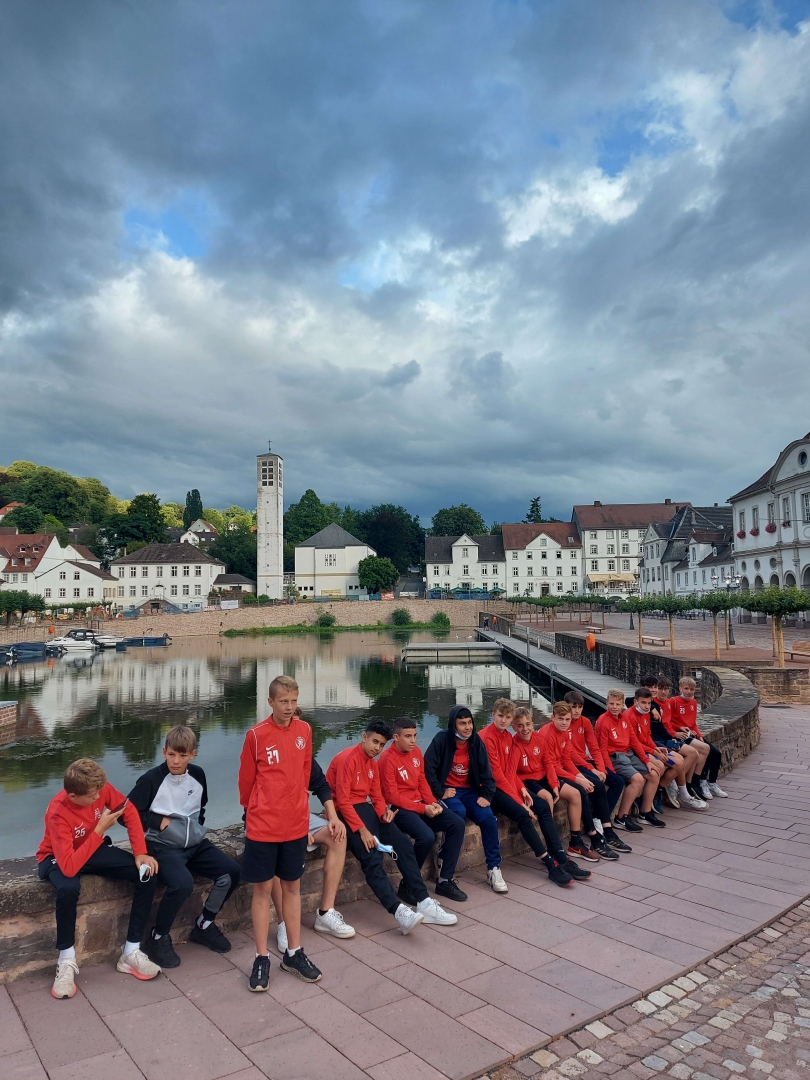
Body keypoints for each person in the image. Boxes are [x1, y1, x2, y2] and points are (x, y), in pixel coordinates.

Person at [37, 758, 161, 999]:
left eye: (98, 792)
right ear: (73, 796)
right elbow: (69, 867)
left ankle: (131, 952)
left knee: (146, 873)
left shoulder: (98, 788)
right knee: (68, 888)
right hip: (58, 856)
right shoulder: (57, 812)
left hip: (92, 848)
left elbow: (129, 811)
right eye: (92, 796)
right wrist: (99, 829)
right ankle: (66, 960)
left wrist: (140, 852)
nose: (98, 798)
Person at [326, 719, 458, 932]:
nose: (377, 748)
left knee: (403, 844)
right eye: (374, 742)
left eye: (381, 744)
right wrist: (362, 830)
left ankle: (424, 902)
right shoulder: (348, 759)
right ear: (364, 737)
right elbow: (341, 800)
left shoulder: (371, 763)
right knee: (372, 857)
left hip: (363, 808)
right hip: (342, 812)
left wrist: (383, 813)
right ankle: (398, 911)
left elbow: (376, 795)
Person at [129, 726, 241, 969]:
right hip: (163, 846)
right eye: (171, 755)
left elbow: (201, 807)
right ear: (164, 752)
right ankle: (158, 937)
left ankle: (204, 925)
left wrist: (193, 830)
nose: (176, 761)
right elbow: (126, 814)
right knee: (182, 884)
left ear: (192, 754)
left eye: (182, 755)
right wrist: (157, 822)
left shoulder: (198, 775)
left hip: (195, 843)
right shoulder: (150, 780)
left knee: (231, 872)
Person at [238, 675, 322, 992]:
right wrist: (254, 811)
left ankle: (293, 953)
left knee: (292, 888)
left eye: (294, 701)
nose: (289, 707)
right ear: (270, 702)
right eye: (283, 701)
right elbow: (246, 782)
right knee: (262, 890)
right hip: (263, 826)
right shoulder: (256, 736)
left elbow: (305, 773)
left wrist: (300, 805)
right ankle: (261, 957)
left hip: (295, 825)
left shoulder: (305, 731)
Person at [478, 698, 575, 887]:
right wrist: (519, 801)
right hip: (489, 789)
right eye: (500, 716)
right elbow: (496, 775)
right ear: (493, 715)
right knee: (523, 814)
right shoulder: (487, 737)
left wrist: (521, 789)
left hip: (503, 784)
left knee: (542, 806)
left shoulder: (507, 736)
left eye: (507, 717)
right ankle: (550, 865)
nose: (503, 720)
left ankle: (559, 854)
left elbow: (509, 772)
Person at [379, 716, 468, 903]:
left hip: (421, 803)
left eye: (415, 735)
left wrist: (433, 802)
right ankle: (408, 884)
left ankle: (444, 881)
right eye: (408, 736)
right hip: (400, 808)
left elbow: (422, 781)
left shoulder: (416, 752)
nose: (413, 740)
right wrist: (422, 808)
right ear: (395, 737)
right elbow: (393, 796)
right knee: (426, 837)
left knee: (457, 824)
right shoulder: (387, 759)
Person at [271, 760, 355, 952]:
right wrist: (296, 829)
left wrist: (333, 817)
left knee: (338, 836)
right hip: (269, 819)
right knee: (276, 848)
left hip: (298, 816)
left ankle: (325, 913)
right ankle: (283, 923)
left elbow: (320, 784)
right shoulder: (268, 751)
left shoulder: (301, 749)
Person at [424, 705, 508, 893]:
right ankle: (444, 857)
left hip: (470, 791)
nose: (468, 727)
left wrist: (487, 795)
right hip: (449, 791)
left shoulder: (476, 742)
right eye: (462, 723)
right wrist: (440, 792)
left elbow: (487, 772)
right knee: (458, 814)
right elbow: (428, 768)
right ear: (453, 725)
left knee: (488, 817)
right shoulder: (441, 740)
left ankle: (494, 869)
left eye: (470, 722)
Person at [510, 707, 594, 875]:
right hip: (527, 780)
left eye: (528, 724)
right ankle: (554, 848)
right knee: (547, 799)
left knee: (575, 794)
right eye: (520, 725)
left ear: (533, 724)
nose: (525, 729)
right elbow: (513, 773)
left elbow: (548, 763)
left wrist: (554, 784)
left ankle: (575, 842)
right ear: (514, 727)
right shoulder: (514, 745)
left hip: (542, 776)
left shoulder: (539, 739)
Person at [534, 702, 615, 862]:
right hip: (546, 774)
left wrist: (581, 777)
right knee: (579, 792)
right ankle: (590, 837)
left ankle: (590, 836)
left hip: (558, 769)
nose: (564, 723)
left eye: (567, 719)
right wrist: (577, 779)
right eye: (561, 719)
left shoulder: (564, 732)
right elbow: (551, 766)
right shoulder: (547, 734)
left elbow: (566, 759)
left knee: (592, 785)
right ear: (553, 717)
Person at [561, 691, 630, 853]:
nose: (576, 711)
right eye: (573, 707)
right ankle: (604, 827)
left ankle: (599, 817)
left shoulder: (585, 722)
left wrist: (601, 768)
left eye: (579, 707)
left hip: (585, 761)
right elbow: (570, 754)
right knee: (597, 785)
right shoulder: (563, 723)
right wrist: (592, 769)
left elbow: (594, 747)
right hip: (572, 764)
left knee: (617, 781)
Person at [595, 689, 663, 832]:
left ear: (622, 705)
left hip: (628, 753)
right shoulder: (603, 721)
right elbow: (602, 749)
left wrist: (647, 761)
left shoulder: (624, 718)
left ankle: (645, 813)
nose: (614, 707)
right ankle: (621, 817)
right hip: (615, 757)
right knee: (638, 780)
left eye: (617, 704)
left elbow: (634, 741)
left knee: (654, 774)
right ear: (606, 703)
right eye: (611, 704)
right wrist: (610, 770)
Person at [668, 677, 727, 799]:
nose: (689, 692)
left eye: (692, 689)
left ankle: (711, 782)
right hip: (681, 734)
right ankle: (698, 781)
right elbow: (668, 722)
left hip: (691, 734)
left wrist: (700, 735)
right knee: (705, 749)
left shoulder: (693, 702)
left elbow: (693, 723)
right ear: (680, 688)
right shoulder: (673, 701)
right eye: (686, 689)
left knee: (716, 753)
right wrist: (679, 728)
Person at [653, 676, 706, 806]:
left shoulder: (668, 703)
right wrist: (674, 734)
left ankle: (683, 786)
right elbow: (630, 701)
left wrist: (676, 731)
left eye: (666, 689)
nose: (663, 692)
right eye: (660, 688)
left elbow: (669, 724)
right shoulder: (652, 704)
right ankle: (673, 786)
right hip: (660, 740)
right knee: (684, 757)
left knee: (694, 753)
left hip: (668, 737)